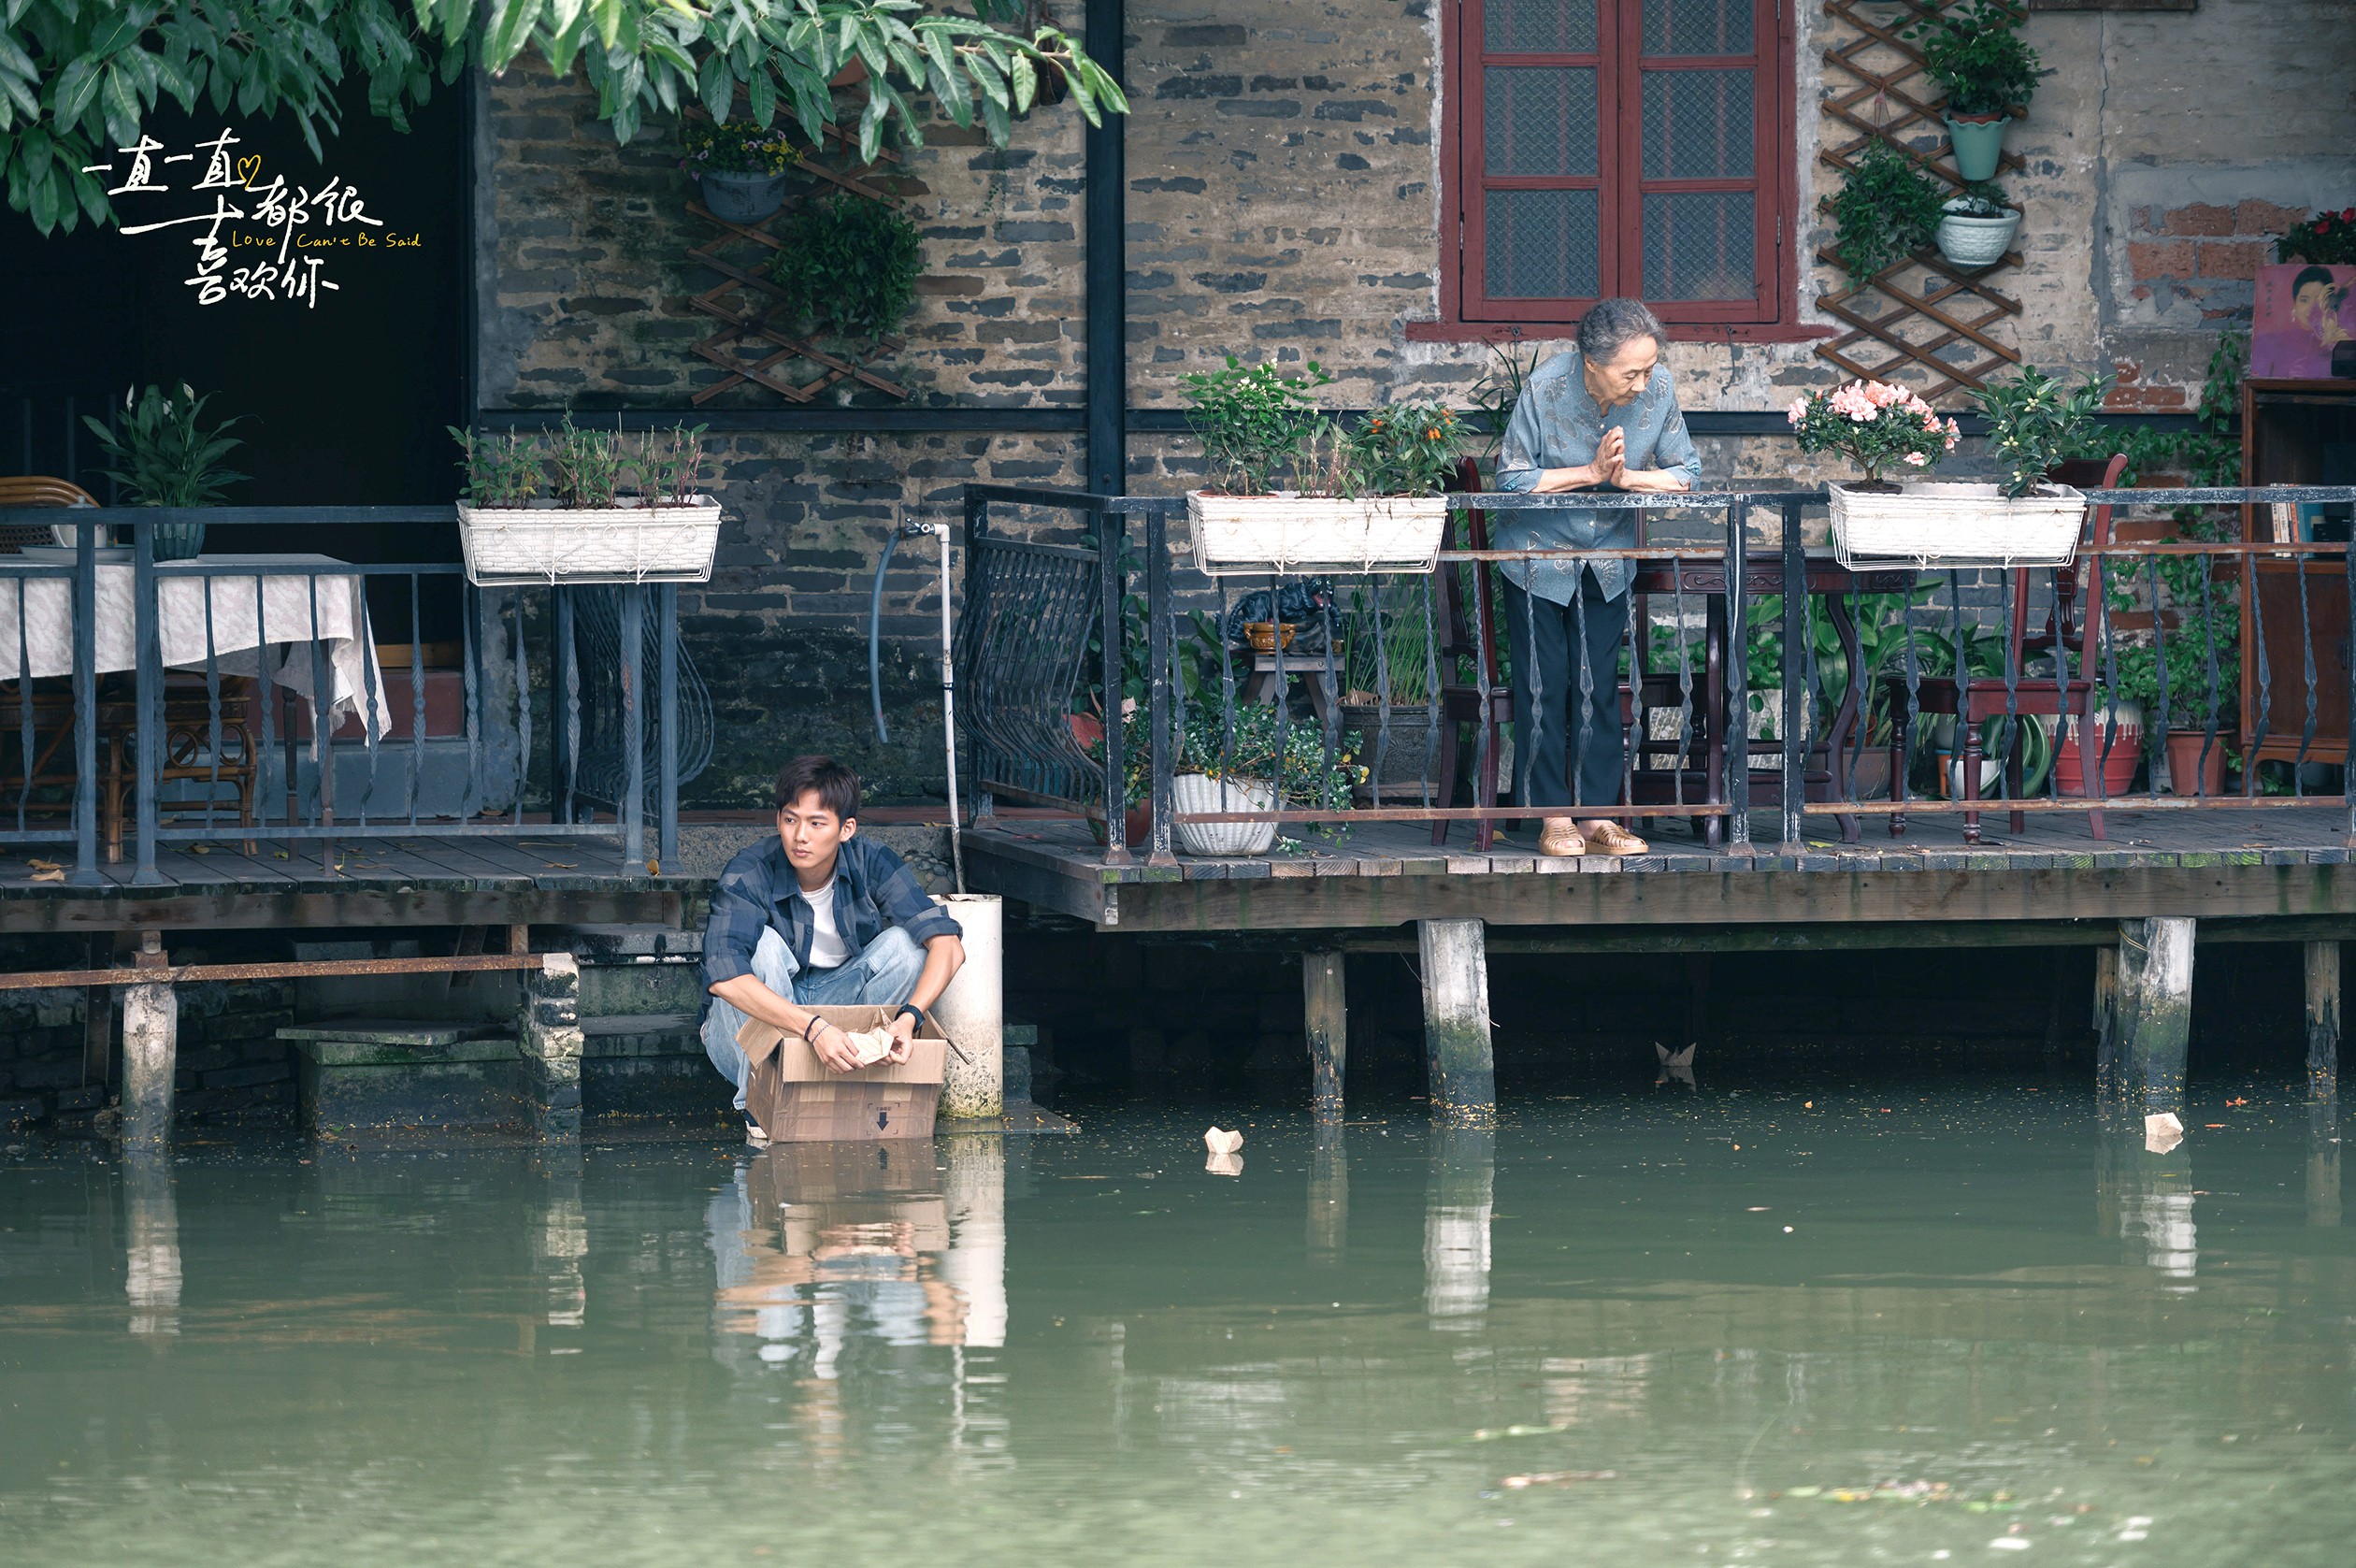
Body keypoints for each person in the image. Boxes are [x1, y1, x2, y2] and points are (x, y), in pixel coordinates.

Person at [1493, 297, 1701, 858]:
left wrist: (1628, 477)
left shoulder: (1658, 393)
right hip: (1536, 559)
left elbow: (1688, 472)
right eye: (1630, 372)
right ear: (1591, 362)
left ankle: (1599, 817)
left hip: (1607, 559)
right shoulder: (1546, 387)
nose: (1642, 382)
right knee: (1546, 684)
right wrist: (1588, 474)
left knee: (1598, 686)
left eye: (1649, 368)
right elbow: (1511, 479)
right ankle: (1553, 816)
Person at [702, 755, 966, 1146]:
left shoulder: (872, 862)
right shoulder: (749, 872)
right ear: (778, 821)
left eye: (816, 823)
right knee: (763, 949)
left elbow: (949, 947)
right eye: (790, 820)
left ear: (846, 829)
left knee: (906, 947)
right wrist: (812, 1028)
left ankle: (854, 1073)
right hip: (743, 1037)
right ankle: (761, 1107)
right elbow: (724, 979)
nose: (800, 836)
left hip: (832, 1010)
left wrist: (909, 1018)